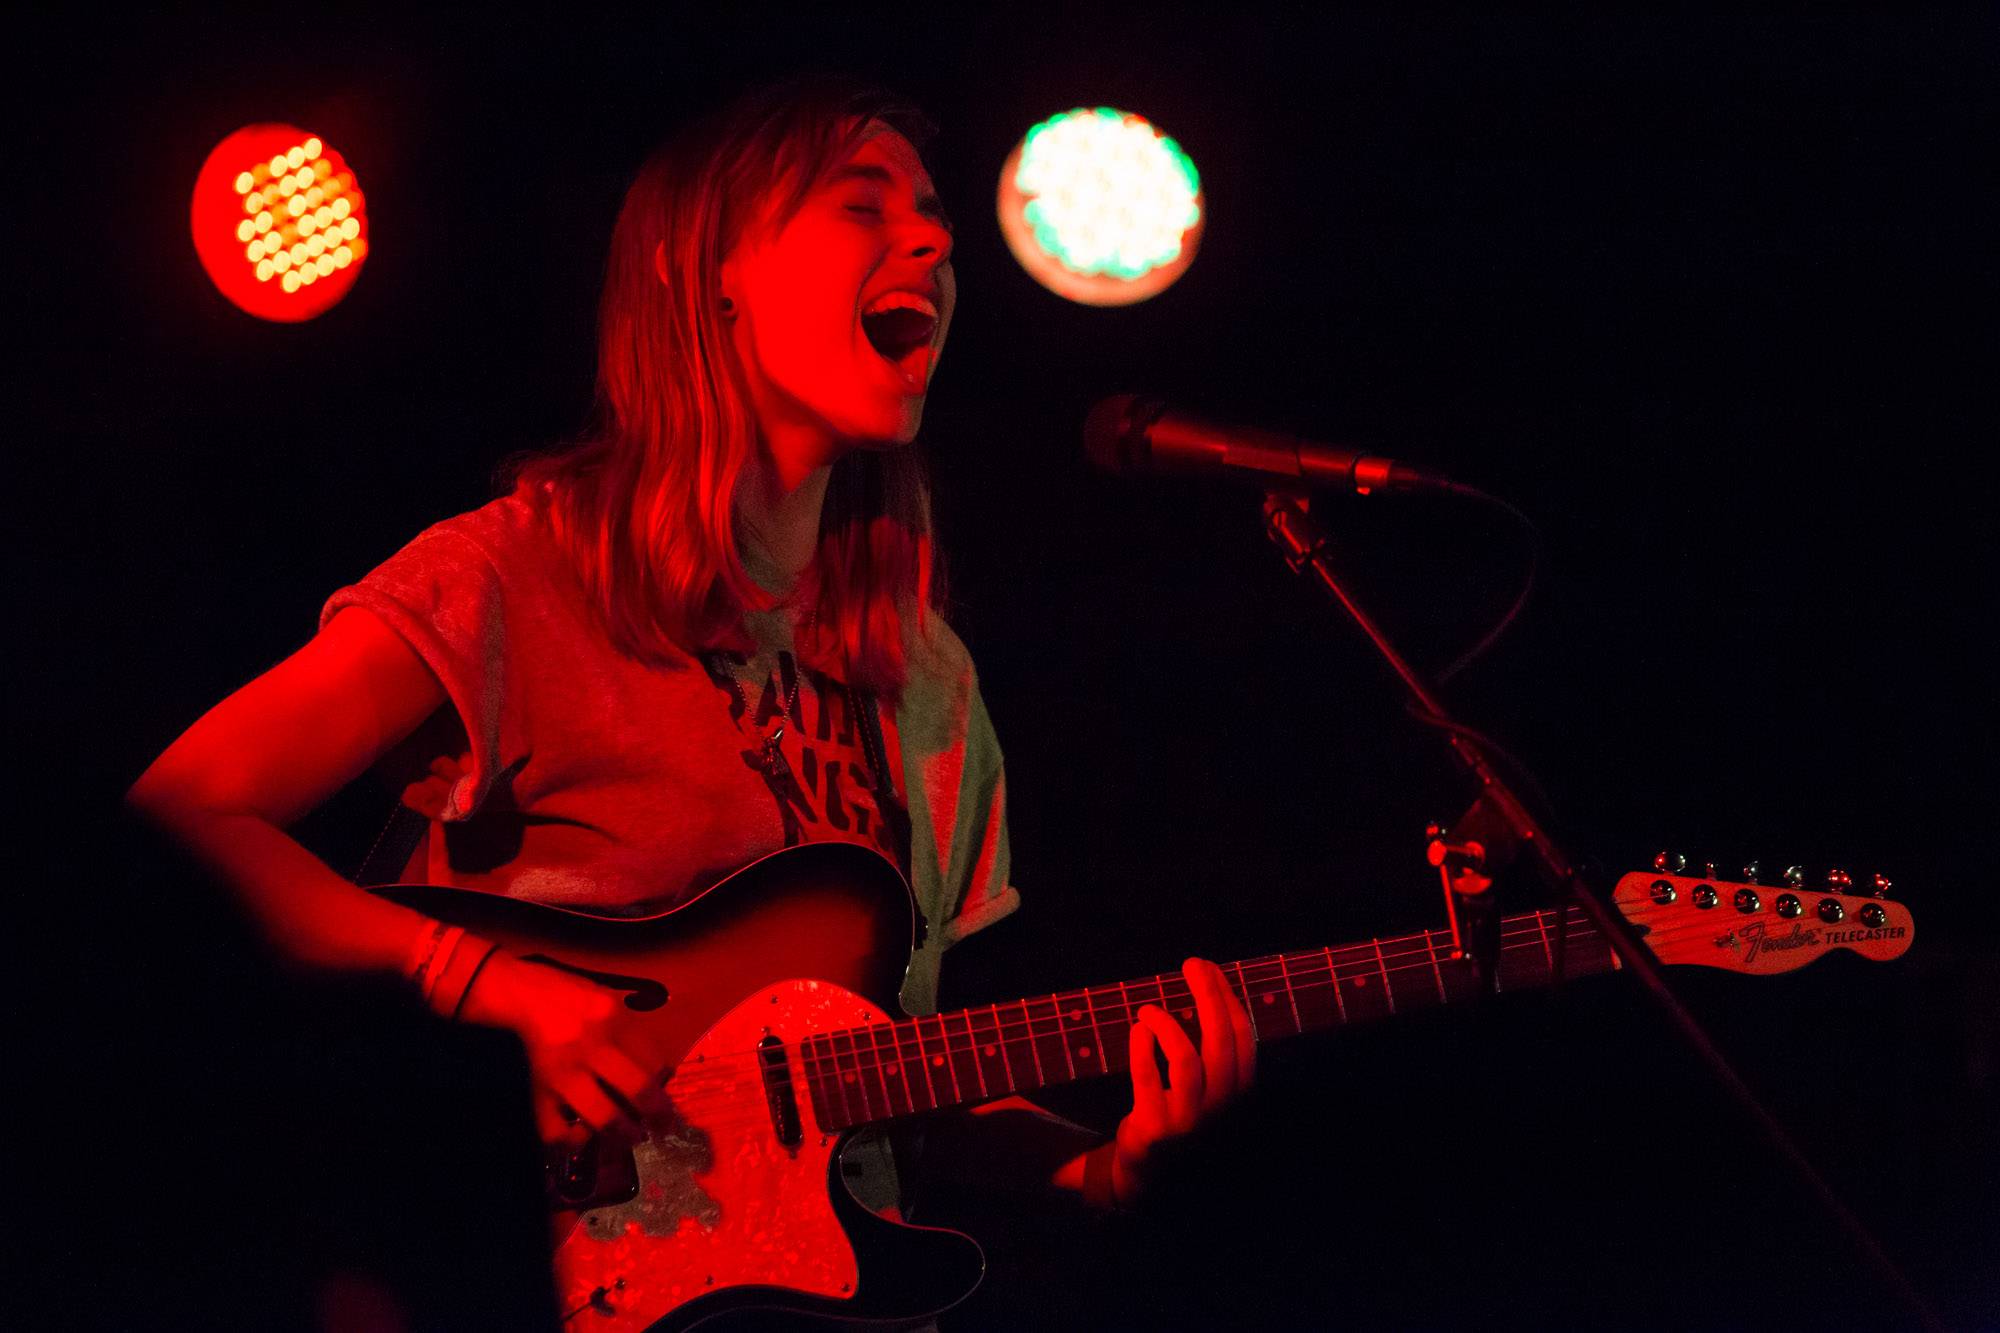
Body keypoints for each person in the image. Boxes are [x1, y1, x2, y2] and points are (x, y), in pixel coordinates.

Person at [125, 69, 1254, 1271]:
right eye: (860, 205)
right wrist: (486, 984)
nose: (929, 237)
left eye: (932, 216)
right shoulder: (515, 575)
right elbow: (181, 814)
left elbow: (891, 1071)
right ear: (704, 274)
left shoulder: (928, 680)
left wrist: (1102, 1168)